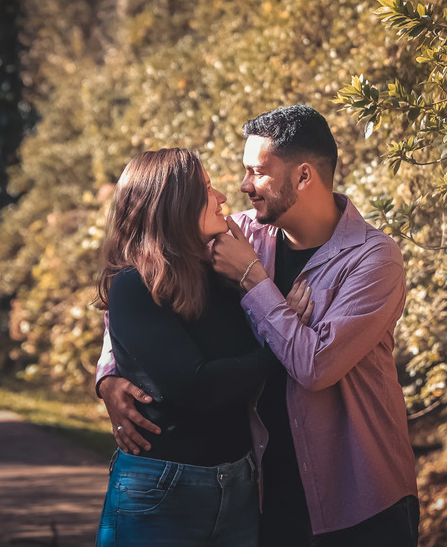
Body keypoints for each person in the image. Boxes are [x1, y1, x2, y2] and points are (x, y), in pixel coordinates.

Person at [98, 106, 419, 547]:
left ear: (304, 177)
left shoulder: (374, 260)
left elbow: (315, 368)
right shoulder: (238, 234)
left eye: (257, 172)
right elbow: (147, 277)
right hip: (267, 493)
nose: (243, 186)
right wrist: (112, 373)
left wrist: (254, 279)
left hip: (357, 494)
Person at [94, 147, 311, 547]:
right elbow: (196, 385)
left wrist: (269, 305)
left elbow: (240, 370)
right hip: (162, 487)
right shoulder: (134, 286)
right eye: (207, 189)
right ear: (174, 204)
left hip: (240, 484)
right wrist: (285, 349)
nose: (223, 198)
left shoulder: (221, 276)